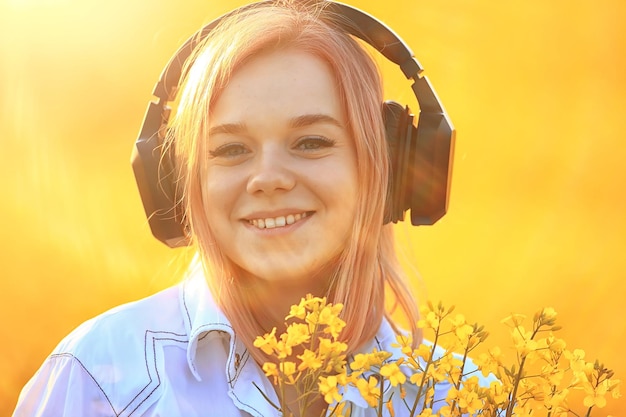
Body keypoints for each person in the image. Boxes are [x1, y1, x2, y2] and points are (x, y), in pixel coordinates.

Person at [13, 1, 485, 416]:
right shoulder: (98, 376)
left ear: (387, 168)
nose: (268, 178)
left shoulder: (459, 397)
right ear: (179, 182)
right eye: (231, 149)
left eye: (311, 141)